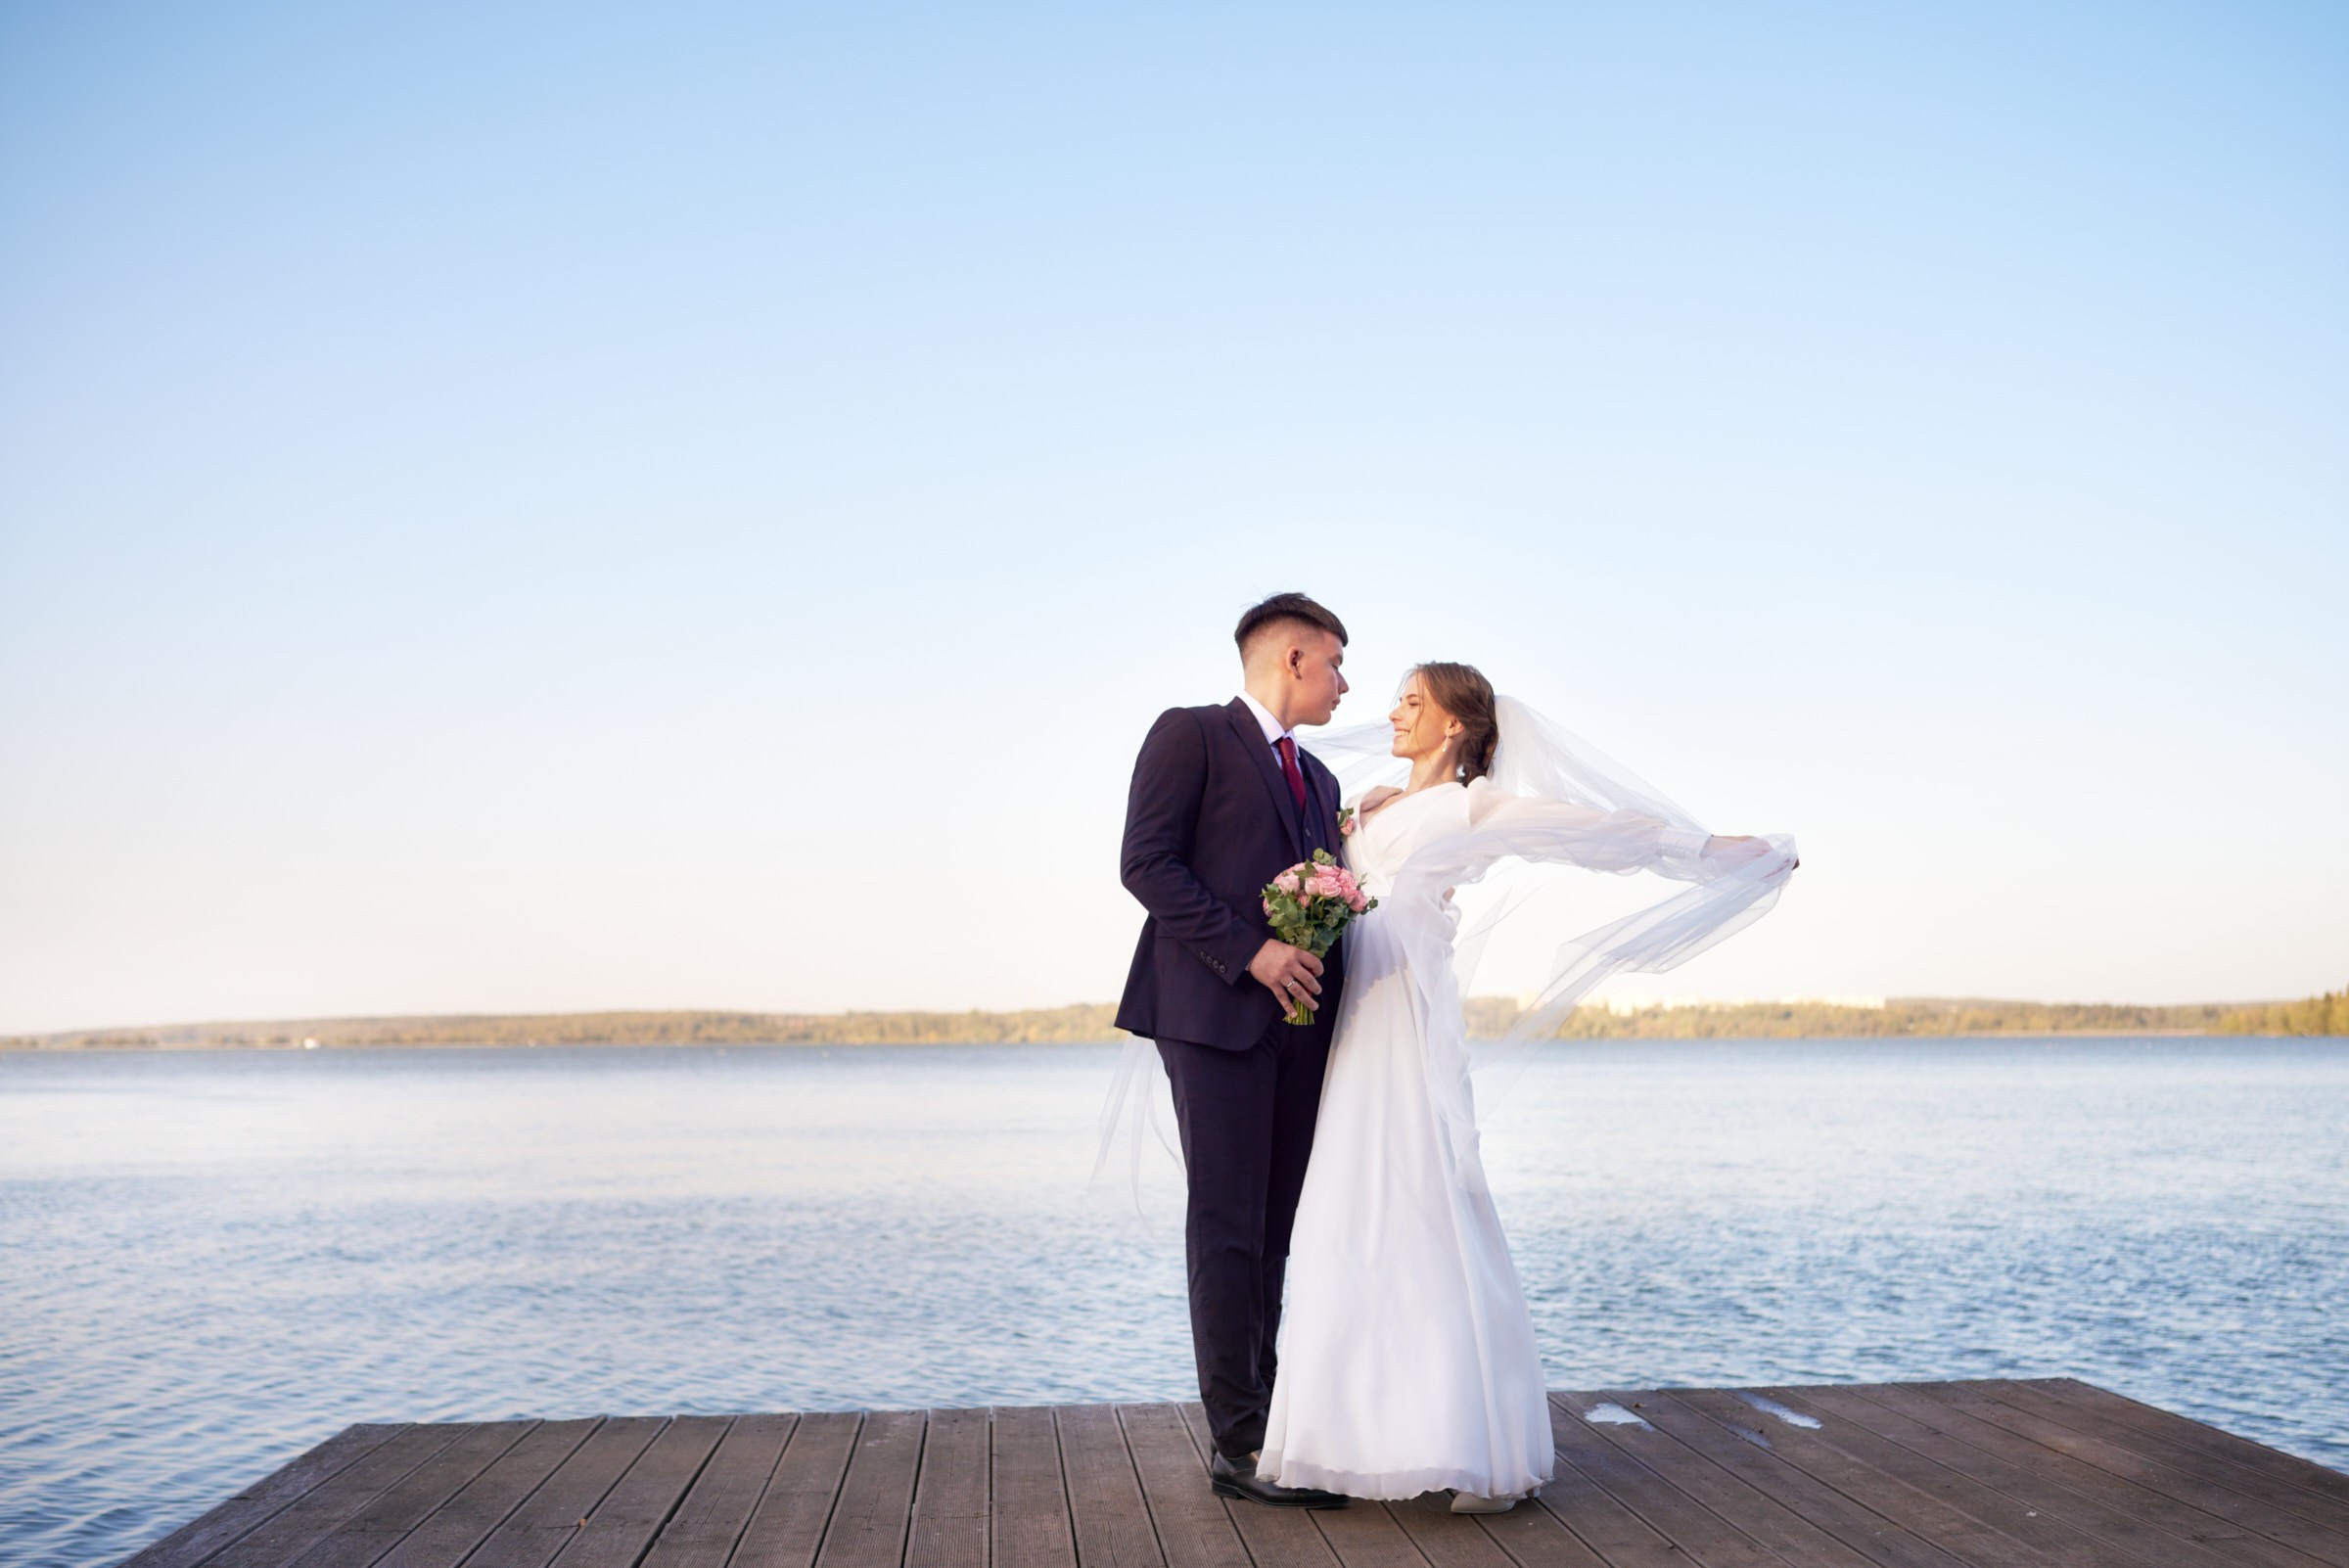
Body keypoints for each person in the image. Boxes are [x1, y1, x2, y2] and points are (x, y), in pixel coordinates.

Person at [1257, 662, 1798, 1511]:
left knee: (1427, 1194)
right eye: (1396, 698)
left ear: (1453, 727)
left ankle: (1478, 1442)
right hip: (1352, 1013)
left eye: (1411, 701)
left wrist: (1710, 849)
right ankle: (1353, 1435)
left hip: (1407, 1010)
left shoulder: (1469, 807)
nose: (1392, 712)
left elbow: (1592, 830)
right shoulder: (1362, 804)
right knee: (1347, 1202)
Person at [1114, 591, 1357, 1509]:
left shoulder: (1324, 782)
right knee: (1226, 1225)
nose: (1345, 682)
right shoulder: (1192, 735)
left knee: (1278, 1229)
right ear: (1292, 658)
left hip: (1304, 1029)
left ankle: (1278, 1419)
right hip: (1210, 1015)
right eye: (1336, 662)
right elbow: (1146, 863)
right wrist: (1251, 950)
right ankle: (1238, 1445)